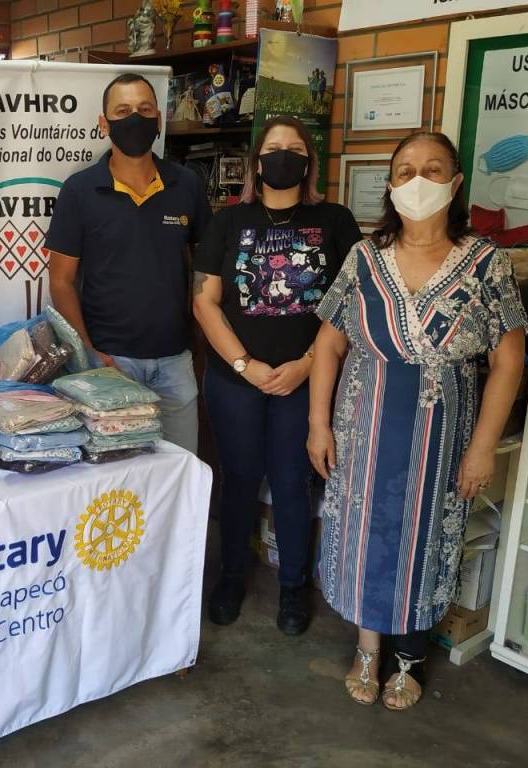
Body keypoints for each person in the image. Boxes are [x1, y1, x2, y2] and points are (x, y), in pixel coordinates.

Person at [307, 131, 527, 711]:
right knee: (363, 538)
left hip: (442, 438)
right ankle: (366, 651)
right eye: (405, 171)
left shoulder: (487, 263)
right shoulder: (363, 258)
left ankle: (408, 659)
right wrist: (318, 424)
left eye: (433, 169)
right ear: (390, 185)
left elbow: (509, 360)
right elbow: (328, 345)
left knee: (425, 541)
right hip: (362, 429)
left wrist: (483, 448)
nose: (418, 181)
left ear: (455, 183)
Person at [193, 115, 361, 634]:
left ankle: (292, 587)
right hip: (235, 379)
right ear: (257, 163)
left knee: (292, 483)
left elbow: (350, 304)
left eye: (294, 149)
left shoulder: (335, 221)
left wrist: (308, 363)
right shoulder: (228, 222)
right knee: (239, 478)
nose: (283, 156)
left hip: (306, 380)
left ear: (308, 163)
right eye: (273, 148)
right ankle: (231, 577)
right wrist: (245, 365)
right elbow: (204, 302)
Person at [46, 73, 213, 454]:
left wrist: (199, 339)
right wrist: (90, 354)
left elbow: (204, 268)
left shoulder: (187, 185)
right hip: (111, 363)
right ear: (103, 124)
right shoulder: (79, 191)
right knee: (121, 476)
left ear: (159, 121)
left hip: (175, 361)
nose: (135, 118)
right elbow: (61, 282)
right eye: (122, 111)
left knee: (181, 468)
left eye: (144, 109)